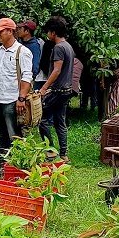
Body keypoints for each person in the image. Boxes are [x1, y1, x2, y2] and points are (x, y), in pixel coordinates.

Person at [0, 15, 34, 151]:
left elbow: (27, 76)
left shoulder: (22, 52)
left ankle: (18, 163)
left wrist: (21, 98)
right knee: (1, 134)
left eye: (1, 32)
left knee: (15, 136)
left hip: (12, 100)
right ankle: (2, 161)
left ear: (10, 31)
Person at [37, 18, 76, 162]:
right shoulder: (68, 46)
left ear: (53, 32)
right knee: (60, 122)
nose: (47, 34)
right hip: (67, 89)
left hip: (58, 90)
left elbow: (56, 71)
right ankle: (64, 154)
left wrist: (44, 88)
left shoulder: (59, 48)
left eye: (48, 31)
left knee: (42, 119)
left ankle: (51, 151)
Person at [17, 20, 43, 88]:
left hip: (27, 80)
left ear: (27, 31)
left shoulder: (34, 46)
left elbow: (35, 65)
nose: (18, 31)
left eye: (20, 29)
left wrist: (29, 78)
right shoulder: (19, 43)